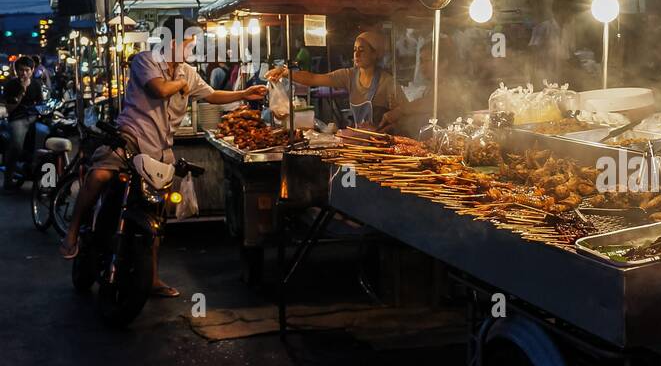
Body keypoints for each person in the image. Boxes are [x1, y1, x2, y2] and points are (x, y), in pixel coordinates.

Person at [59, 19, 268, 296]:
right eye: (188, 42)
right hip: (130, 138)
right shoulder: (146, 60)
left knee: (154, 214)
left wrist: (244, 93)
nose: (192, 48)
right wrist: (180, 82)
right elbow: (158, 90)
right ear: (172, 41)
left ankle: (153, 278)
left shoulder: (187, 73)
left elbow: (211, 94)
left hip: (159, 149)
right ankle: (72, 232)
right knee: (99, 175)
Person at [267, 30, 409, 132]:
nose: (356, 54)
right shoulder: (349, 76)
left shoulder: (388, 82)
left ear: (375, 54)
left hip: (380, 147)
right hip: (358, 141)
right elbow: (313, 78)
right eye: (354, 50)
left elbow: (404, 115)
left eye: (362, 50)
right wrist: (286, 73)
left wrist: (384, 130)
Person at [3, 57, 43, 191]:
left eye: (27, 70)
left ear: (32, 70)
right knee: (16, 147)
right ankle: (8, 181)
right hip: (18, 119)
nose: (24, 73)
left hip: (34, 117)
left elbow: (41, 103)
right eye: (21, 70)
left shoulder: (37, 84)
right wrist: (22, 91)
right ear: (16, 71)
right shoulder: (10, 85)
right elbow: (10, 108)